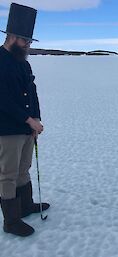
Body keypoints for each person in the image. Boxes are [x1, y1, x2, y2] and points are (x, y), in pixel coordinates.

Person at [0, 3, 49, 237]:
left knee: (24, 169)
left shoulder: (23, 62)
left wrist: (36, 117)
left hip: (27, 126)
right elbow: (3, 99)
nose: (28, 45)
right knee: (7, 174)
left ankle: (25, 206)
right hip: (7, 129)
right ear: (11, 37)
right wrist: (28, 119)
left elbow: (32, 90)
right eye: (25, 41)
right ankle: (11, 221)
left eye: (30, 41)